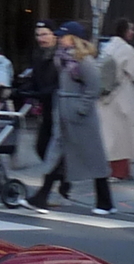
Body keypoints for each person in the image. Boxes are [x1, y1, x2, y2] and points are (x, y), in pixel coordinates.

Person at [32, 23, 113, 211]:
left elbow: (93, 87)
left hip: (80, 118)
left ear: (74, 38)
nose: (60, 39)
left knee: (94, 159)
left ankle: (106, 202)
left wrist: (81, 109)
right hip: (66, 115)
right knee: (57, 154)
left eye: (64, 36)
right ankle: (40, 197)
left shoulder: (83, 61)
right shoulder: (65, 59)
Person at [97, 18, 134, 182]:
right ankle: (119, 172)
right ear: (124, 31)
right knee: (123, 136)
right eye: (131, 29)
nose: (133, 32)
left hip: (106, 97)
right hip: (122, 97)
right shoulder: (127, 49)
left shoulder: (108, 47)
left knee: (110, 135)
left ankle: (116, 170)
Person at [21, 22, 59, 163]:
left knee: (54, 146)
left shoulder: (61, 56)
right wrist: (23, 90)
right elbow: (36, 78)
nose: (40, 38)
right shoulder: (38, 55)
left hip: (60, 106)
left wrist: (41, 92)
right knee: (42, 146)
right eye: (37, 35)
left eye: (44, 34)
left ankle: (56, 180)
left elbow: (60, 83)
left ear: (54, 35)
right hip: (47, 106)